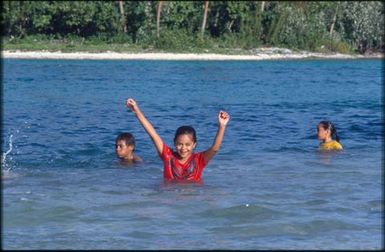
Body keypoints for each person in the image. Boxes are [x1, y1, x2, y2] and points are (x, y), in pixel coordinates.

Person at [126, 98, 230, 183]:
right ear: (174, 143)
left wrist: (222, 126)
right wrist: (136, 110)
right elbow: (152, 133)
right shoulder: (167, 155)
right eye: (180, 144)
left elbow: (215, 148)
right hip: (170, 199)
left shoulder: (199, 160)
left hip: (193, 198)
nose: (183, 148)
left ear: (194, 144)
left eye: (187, 144)